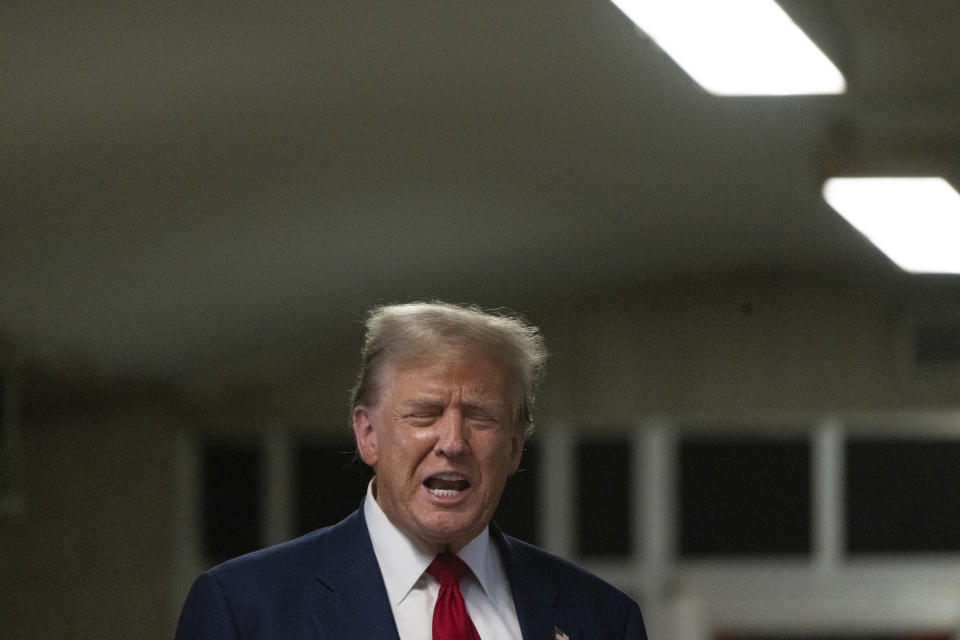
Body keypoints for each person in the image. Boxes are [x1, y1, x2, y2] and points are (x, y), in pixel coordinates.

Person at [175, 301, 648, 640]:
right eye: (424, 414)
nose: (453, 442)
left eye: (481, 418)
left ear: (515, 447)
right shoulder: (244, 608)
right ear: (367, 435)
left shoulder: (602, 618)